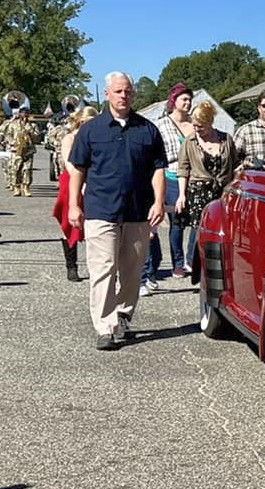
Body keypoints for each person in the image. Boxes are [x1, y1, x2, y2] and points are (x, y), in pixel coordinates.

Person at [66, 71, 167, 351]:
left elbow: (159, 168)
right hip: (101, 210)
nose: (124, 96)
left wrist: (159, 202)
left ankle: (123, 315)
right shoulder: (92, 130)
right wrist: (75, 204)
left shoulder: (147, 130)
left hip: (137, 212)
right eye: (119, 91)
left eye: (128, 92)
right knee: (103, 269)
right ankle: (105, 326)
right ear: (107, 94)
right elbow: (78, 170)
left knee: (133, 271)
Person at [176, 101, 237, 266]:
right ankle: (194, 262)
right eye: (194, 125)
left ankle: (220, 262)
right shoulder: (189, 142)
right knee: (199, 229)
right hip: (198, 192)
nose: (197, 129)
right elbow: (183, 169)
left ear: (210, 122)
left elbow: (235, 165)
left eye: (200, 126)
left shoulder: (226, 139)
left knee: (221, 228)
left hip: (222, 191)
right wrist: (181, 195)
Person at [52, 106, 99, 282]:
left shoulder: (95, 138)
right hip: (71, 181)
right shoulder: (70, 138)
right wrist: (82, 183)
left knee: (94, 224)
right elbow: (69, 164)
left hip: (92, 182)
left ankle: (96, 266)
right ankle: (71, 266)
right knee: (69, 221)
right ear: (81, 121)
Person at [154, 82, 194, 279]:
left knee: (197, 220)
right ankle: (177, 263)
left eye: (190, 100)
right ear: (174, 101)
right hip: (170, 174)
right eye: (184, 99)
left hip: (194, 177)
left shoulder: (194, 125)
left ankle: (192, 259)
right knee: (177, 221)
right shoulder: (162, 125)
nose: (187, 103)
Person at [3, 107, 40, 197]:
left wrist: (30, 130)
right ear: (19, 114)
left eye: (26, 113)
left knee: (27, 170)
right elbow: (7, 135)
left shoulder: (33, 125)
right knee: (16, 169)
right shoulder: (13, 124)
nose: (25, 115)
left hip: (28, 150)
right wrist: (13, 143)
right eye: (23, 113)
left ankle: (26, 187)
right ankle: (17, 187)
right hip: (16, 150)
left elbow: (38, 138)